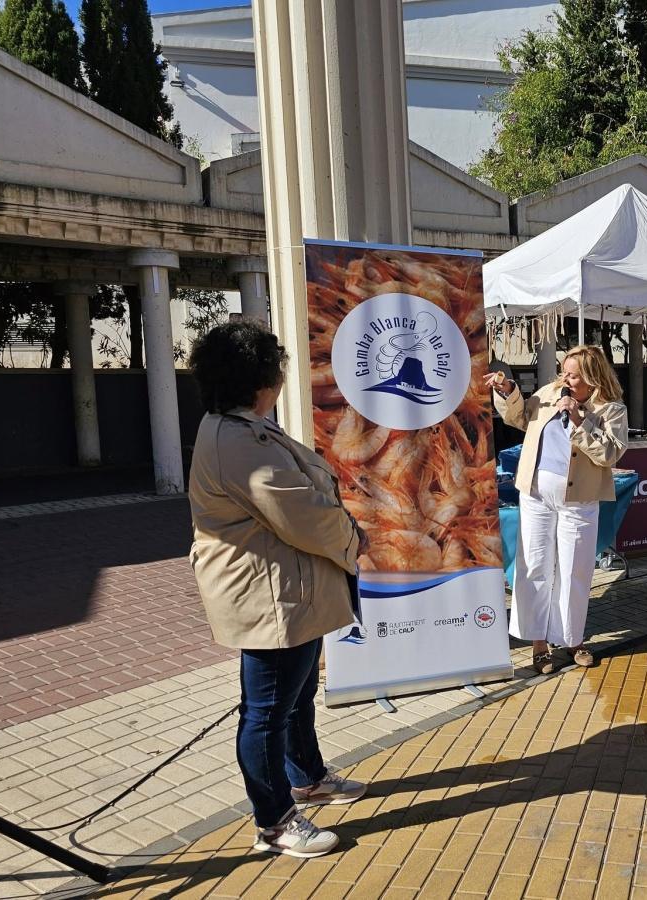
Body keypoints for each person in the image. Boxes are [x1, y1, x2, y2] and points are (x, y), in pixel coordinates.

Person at [187, 321, 368, 859]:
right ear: (263, 381)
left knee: (295, 696)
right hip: (271, 596)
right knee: (267, 711)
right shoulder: (238, 441)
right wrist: (353, 538)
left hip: (287, 589)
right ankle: (274, 821)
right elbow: (303, 515)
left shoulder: (239, 427)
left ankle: (307, 777)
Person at [484, 345, 628, 674]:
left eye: (573, 375)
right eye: (564, 371)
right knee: (534, 565)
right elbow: (520, 417)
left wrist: (580, 420)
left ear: (592, 377)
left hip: (579, 500)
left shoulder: (611, 409)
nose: (565, 379)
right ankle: (538, 644)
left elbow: (610, 454)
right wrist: (507, 390)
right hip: (536, 494)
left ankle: (572, 639)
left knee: (574, 570)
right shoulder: (550, 393)